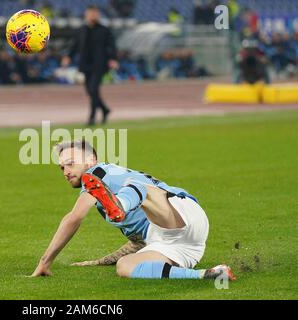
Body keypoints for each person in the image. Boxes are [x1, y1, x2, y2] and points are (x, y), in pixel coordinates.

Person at [31, 140, 236, 281]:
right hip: (183, 245)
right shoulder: (109, 181)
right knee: (125, 266)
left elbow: (73, 218)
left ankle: (121, 205)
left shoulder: (95, 174)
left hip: (179, 212)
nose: (66, 171)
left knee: (141, 189)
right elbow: (138, 241)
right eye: (61, 167)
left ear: (91, 160)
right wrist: (101, 261)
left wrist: (45, 262)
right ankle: (209, 274)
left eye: (70, 164)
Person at [62, 6, 119, 126]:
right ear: (86, 15)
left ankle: (92, 118)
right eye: (91, 14)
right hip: (85, 64)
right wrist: (68, 57)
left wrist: (113, 59)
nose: (93, 16)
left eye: (95, 14)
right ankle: (104, 109)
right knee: (90, 91)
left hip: (100, 64)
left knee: (93, 89)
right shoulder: (81, 30)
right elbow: (75, 45)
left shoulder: (104, 30)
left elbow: (111, 46)